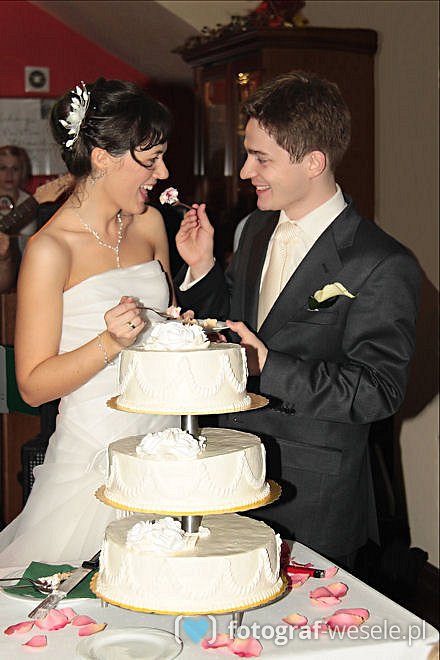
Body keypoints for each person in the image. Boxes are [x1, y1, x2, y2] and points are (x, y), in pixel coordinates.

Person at [175, 71, 421, 569]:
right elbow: (237, 326)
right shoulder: (253, 228)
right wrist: (202, 269)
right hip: (230, 474)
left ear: (313, 162)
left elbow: (378, 392)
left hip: (313, 499)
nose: (246, 171)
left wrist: (270, 366)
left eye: (260, 158)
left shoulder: (381, 262)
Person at [0, 78, 178, 566]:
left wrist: (194, 285)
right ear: (102, 158)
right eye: (151, 159)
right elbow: (32, 386)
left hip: (167, 446)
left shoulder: (149, 224)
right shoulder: (50, 249)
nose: (162, 173)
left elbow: (170, 325)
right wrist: (109, 343)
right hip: (93, 459)